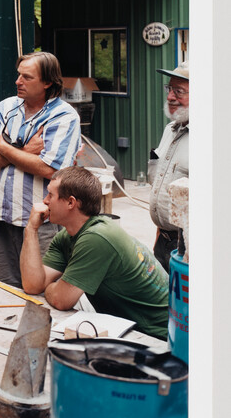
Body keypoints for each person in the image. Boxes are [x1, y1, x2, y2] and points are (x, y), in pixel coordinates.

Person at [19, 166, 169, 340]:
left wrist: (51, 288)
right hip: (130, 328)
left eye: (50, 195)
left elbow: (61, 300)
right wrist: (31, 229)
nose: (45, 201)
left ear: (70, 202)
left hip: (157, 335)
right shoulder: (67, 236)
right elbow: (32, 285)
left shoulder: (97, 238)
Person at [0, 51, 82, 287]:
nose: (18, 82)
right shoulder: (7, 107)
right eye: (19, 75)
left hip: (42, 221)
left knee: (37, 290)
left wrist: (6, 149)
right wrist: (26, 152)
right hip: (4, 214)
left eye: (27, 77)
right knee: (2, 287)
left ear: (48, 82)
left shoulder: (64, 116)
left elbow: (50, 169)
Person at [148, 61, 189, 273]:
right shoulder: (170, 129)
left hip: (189, 247)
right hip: (163, 242)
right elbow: (163, 190)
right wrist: (159, 234)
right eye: (170, 89)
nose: (170, 97)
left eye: (179, 91)